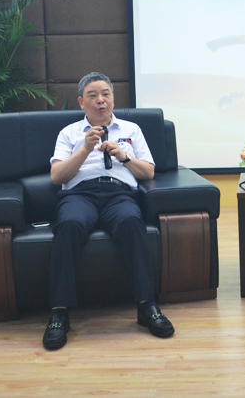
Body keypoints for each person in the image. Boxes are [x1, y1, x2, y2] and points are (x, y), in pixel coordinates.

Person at [42, 72, 174, 350]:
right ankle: (59, 313)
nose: (100, 100)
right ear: (82, 102)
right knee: (70, 224)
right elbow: (56, 177)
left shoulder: (131, 130)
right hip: (79, 194)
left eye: (106, 94)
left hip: (119, 193)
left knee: (131, 221)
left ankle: (147, 306)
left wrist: (124, 157)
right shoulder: (69, 133)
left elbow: (149, 172)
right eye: (93, 95)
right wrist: (84, 149)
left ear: (113, 98)